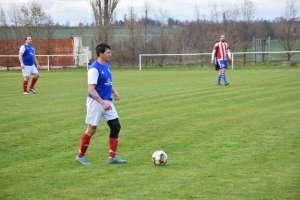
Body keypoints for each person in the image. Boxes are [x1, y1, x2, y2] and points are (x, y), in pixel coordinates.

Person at [76, 43, 127, 165]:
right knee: (92, 129)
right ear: (101, 54)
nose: (110, 54)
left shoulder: (107, 66)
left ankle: (112, 157)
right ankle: (80, 156)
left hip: (106, 101)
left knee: (116, 126)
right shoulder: (94, 69)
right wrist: (102, 103)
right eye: (108, 52)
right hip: (95, 102)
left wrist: (114, 91)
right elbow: (91, 89)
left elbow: (107, 83)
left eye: (110, 52)